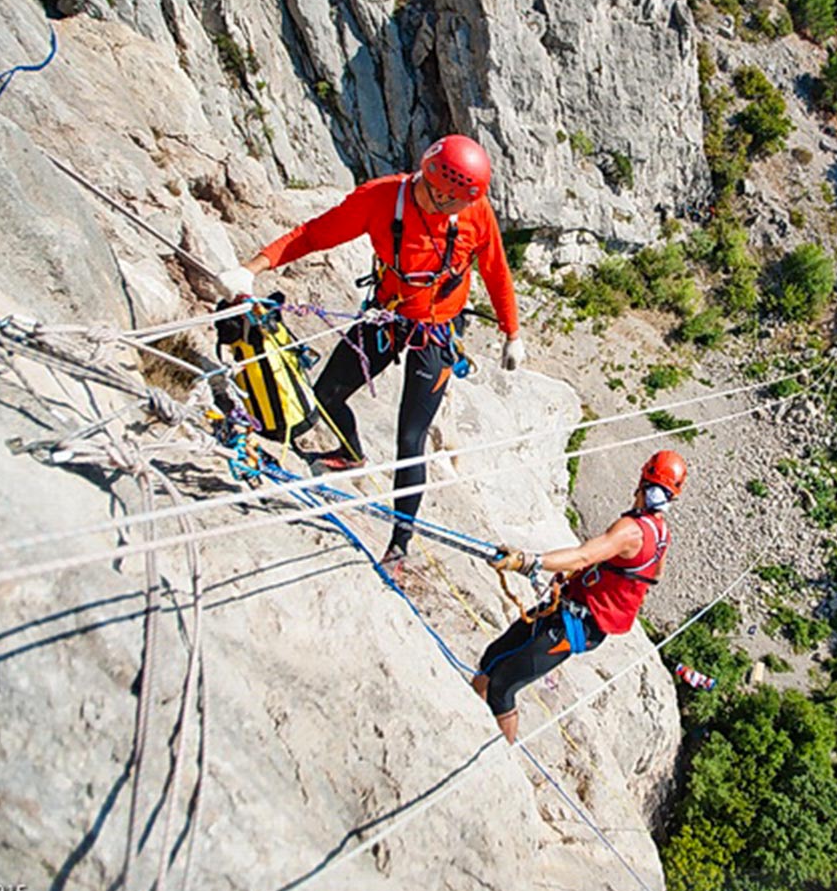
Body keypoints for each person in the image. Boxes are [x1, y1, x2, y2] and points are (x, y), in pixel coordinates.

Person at [219, 135, 520, 579]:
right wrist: (252, 268)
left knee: (409, 440)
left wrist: (512, 331)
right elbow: (312, 235)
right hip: (387, 317)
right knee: (325, 393)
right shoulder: (380, 200)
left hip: (435, 333)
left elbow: (495, 270)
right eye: (453, 203)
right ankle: (350, 453)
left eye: (463, 204)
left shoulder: (474, 212)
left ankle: (400, 543)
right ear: (436, 187)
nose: (459, 212)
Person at [472, 450, 686, 745]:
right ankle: (472, 723)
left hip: (574, 625)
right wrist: (614, 577)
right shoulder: (661, 532)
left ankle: (500, 757)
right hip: (568, 612)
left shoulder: (631, 530)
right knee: (491, 658)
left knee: (503, 687)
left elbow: (582, 555)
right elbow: (654, 575)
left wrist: (527, 560)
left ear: (643, 477)